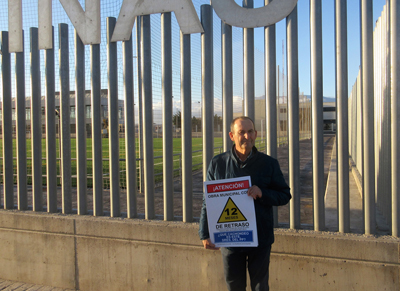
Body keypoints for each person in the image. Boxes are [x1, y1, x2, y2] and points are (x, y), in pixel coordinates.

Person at [198, 116, 291, 291]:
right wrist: (204, 233)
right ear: (231, 136)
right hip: (229, 239)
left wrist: (262, 193)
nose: (246, 136)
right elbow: (207, 201)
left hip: (260, 238)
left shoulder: (269, 164)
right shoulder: (217, 164)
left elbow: (284, 195)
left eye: (250, 132)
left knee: (260, 287)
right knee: (234, 286)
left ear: (255, 134)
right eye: (241, 132)